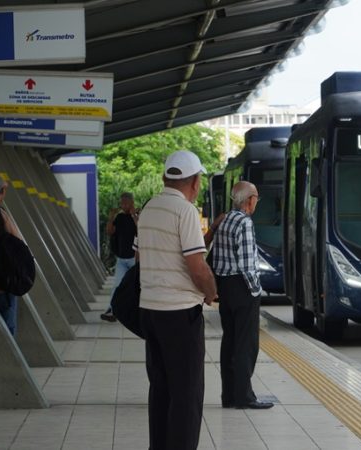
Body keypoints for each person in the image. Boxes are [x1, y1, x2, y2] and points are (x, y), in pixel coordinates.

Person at [135, 150, 218, 450]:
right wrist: (211, 292)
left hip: (151, 311)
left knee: (161, 389)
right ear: (195, 182)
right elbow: (197, 266)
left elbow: (139, 256)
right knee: (187, 394)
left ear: (164, 177)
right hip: (180, 313)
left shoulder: (148, 208)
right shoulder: (185, 212)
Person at [208, 181, 273, 409]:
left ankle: (229, 395)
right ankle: (245, 396)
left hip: (226, 287)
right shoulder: (244, 222)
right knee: (246, 345)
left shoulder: (225, 220)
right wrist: (255, 291)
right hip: (242, 288)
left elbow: (216, 256)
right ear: (249, 200)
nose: (257, 201)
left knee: (230, 341)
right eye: (256, 197)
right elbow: (246, 264)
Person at [0, 176, 23, 335]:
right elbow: (19, 245)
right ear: (1, 192)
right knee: (7, 329)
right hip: (0, 284)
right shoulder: (0, 215)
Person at [101, 192, 138, 322]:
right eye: (122, 203)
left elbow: (141, 229)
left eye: (126, 203)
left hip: (135, 258)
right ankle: (112, 310)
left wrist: (134, 215)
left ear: (132, 203)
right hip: (122, 258)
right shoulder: (120, 217)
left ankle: (137, 312)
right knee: (117, 285)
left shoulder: (138, 216)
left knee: (136, 286)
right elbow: (110, 231)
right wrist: (111, 218)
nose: (123, 205)